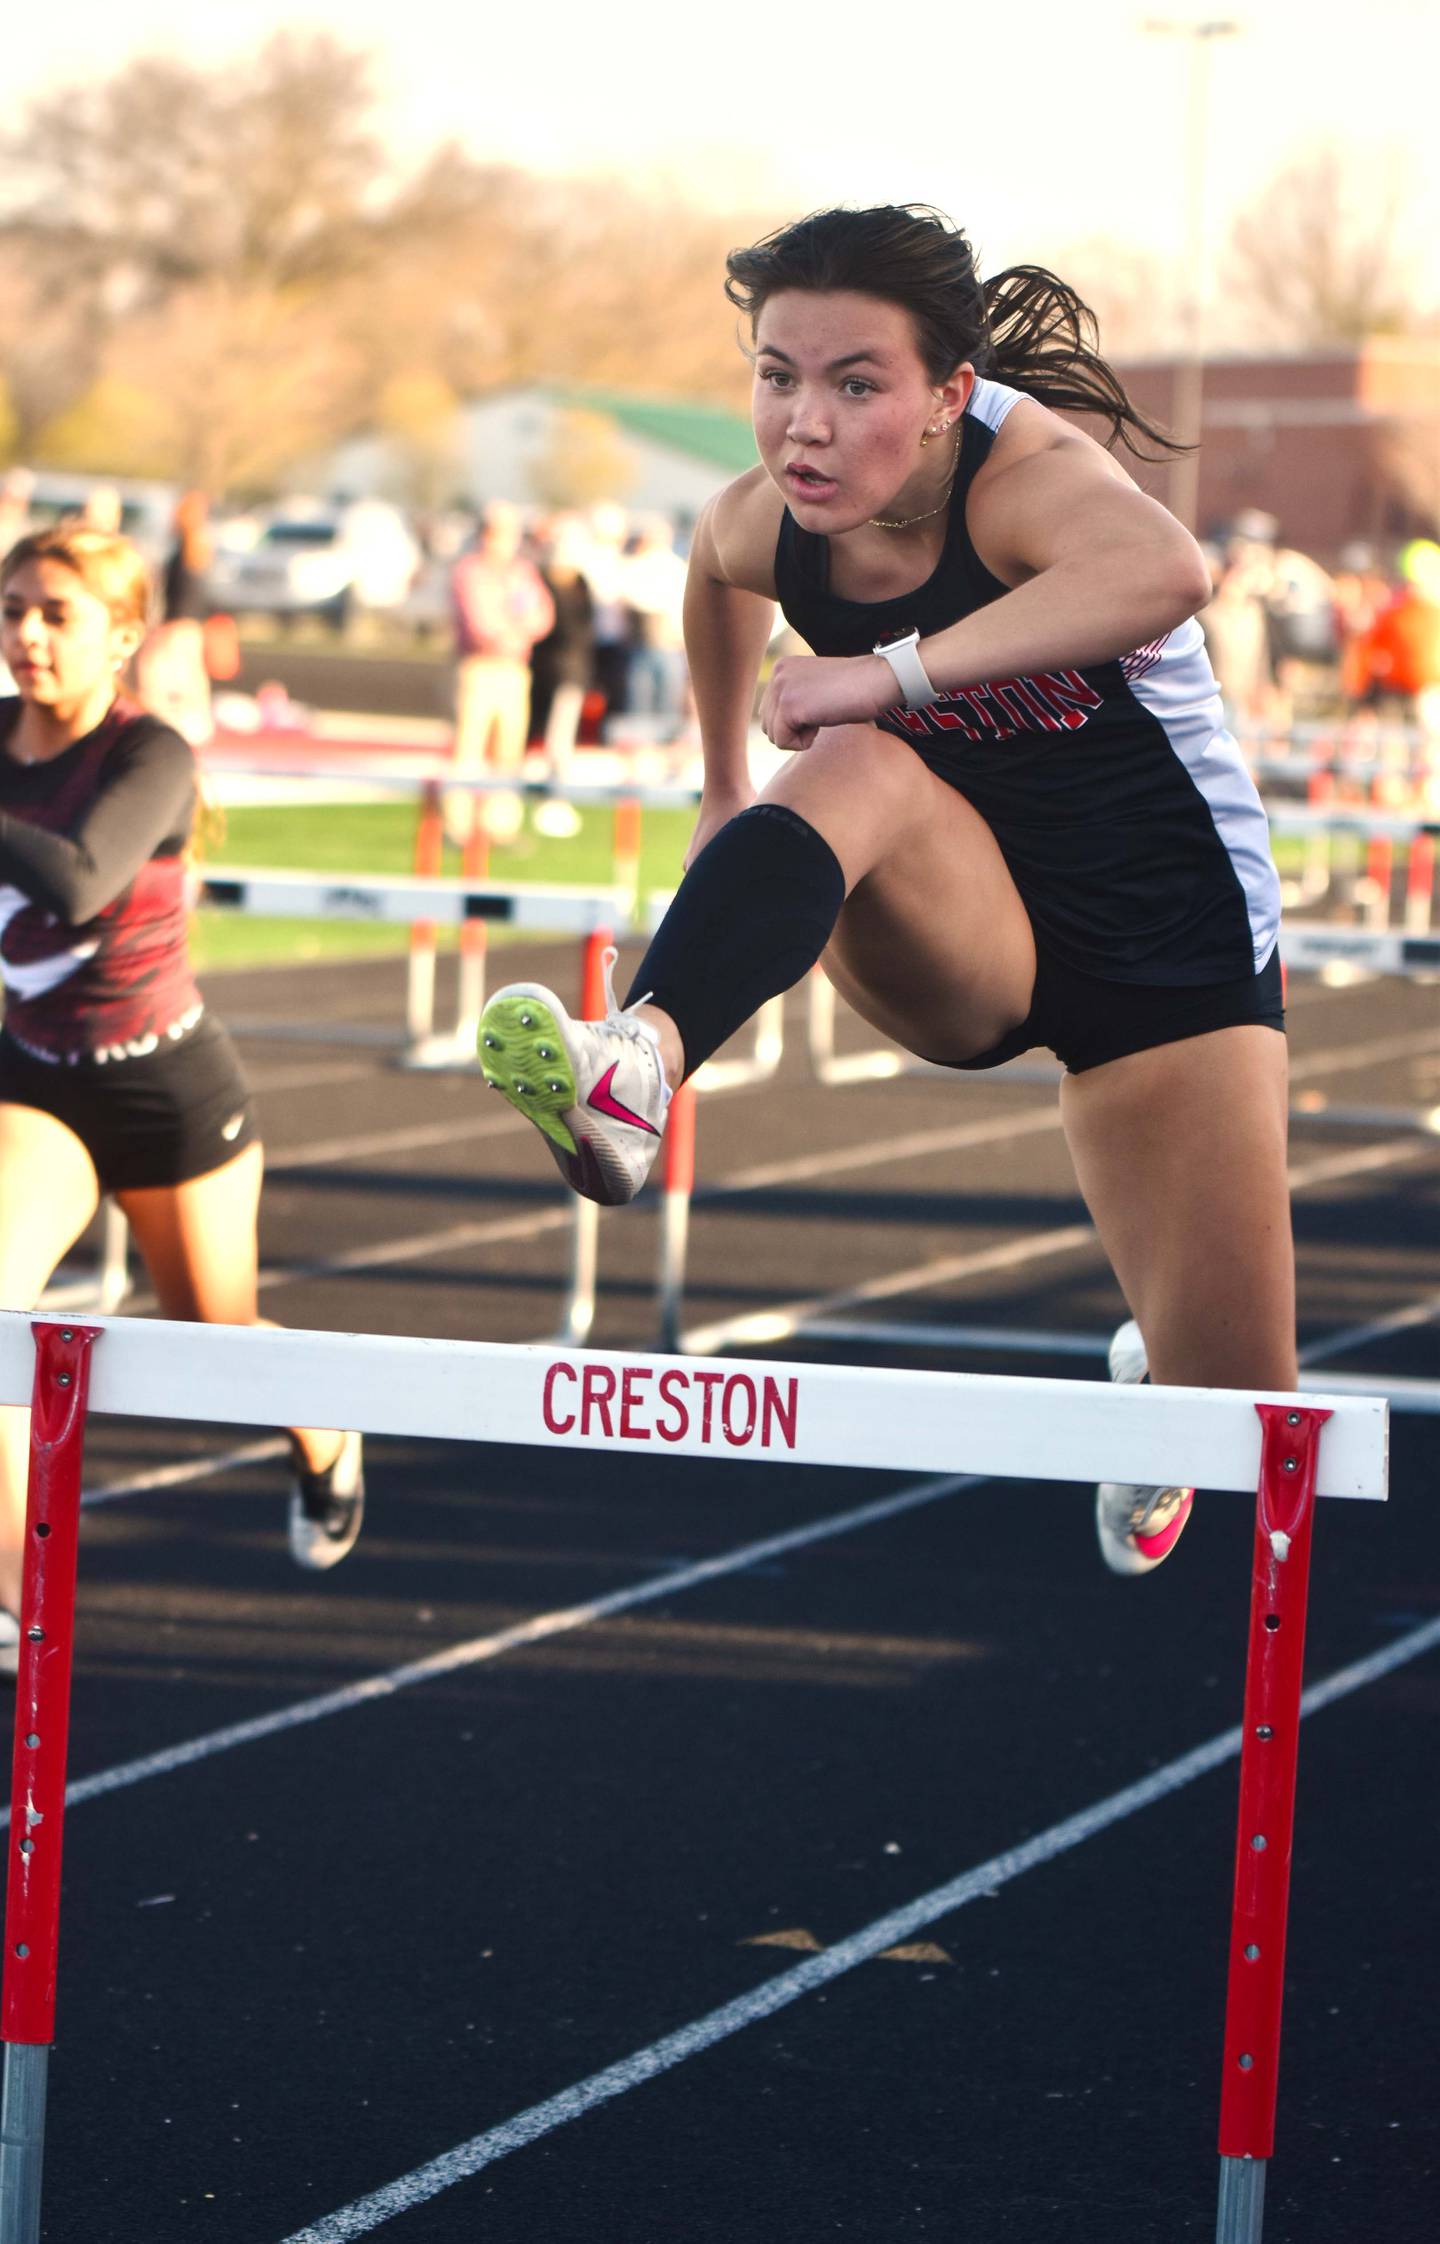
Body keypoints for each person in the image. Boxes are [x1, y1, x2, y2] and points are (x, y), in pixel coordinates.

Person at [478, 205, 1296, 1581]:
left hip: (1170, 950)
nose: (804, 423)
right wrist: (724, 776)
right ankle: (640, 1058)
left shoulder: (1026, 475)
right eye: (775, 373)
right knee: (850, 767)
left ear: (947, 397)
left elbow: (1170, 571)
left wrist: (891, 670)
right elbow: (708, 567)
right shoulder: (777, 519)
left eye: (857, 384)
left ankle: (1162, 1377)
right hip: (964, 915)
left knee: (1250, 1419)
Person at [0, 525, 365, 1674]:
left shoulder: (149, 753)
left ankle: (327, 1434)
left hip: (165, 1088)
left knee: (213, 1334)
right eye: (11, 609)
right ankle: (22, 1598)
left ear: (120, 635)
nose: (25, 635)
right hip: (35, 1084)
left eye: (55, 614)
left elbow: (77, 881)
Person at [448, 501, 554, 845]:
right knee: (469, 748)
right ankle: (459, 825)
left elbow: (541, 615)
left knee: (508, 749)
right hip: (479, 667)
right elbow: (479, 622)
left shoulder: (522, 572)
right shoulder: (470, 571)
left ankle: (500, 825)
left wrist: (516, 631)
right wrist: (511, 632)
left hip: (514, 668)